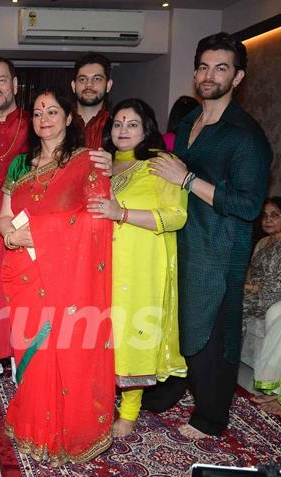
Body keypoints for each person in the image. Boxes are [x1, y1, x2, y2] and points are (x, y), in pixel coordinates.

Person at [0, 56, 112, 404]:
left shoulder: (36, 123)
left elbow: (75, 157)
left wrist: (112, 160)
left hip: (31, 235)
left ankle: (27, 374)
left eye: (1, 80)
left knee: (27, 306)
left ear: (15, 85)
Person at [145, 32, 272, 439]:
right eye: (203, 66)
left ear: (237, 77)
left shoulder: (245, 136)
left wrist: (187, 179)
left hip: (220, 249)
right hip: (184, 239)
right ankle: (175, 387)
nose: (209, 75)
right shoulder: (189, 123)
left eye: (221, 68)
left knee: (214, 332)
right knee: (180, 323)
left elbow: (248, 205)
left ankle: (212, 417)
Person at [0, 87, 114, 464]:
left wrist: (44, 232)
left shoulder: (88, 162)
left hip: (66, 278)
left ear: (68, 118)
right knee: (29, 349)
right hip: (24, 270)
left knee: (63, 348)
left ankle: (68, 430)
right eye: (36, 112)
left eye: (51, 111)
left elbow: (99, 218)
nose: (43, 119)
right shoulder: (19, 165)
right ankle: (34, 423)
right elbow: (3, 215)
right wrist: (12, 235)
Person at [89, 98, 188, 437]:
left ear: (147, 129)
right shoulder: (102, 165)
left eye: (132, 124)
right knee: (100, 334)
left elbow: (177, 216)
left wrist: (123, 214)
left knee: (133, 333)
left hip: (141, 267)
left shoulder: (161, 163)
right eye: (117, 124)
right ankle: (99, 403)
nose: (123, 130)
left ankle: (129, 412)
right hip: (101, 265)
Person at [242, 198, 281, 415]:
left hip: (271, 294)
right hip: (254, 289)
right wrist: (245, 284)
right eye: (265, 215)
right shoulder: (262, 243)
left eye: (275, 214)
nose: (268, 220)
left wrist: (248, 288)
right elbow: (251, 268)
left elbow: (276, 282)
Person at [71, 52, 113, 149]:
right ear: (73, 86)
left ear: (108, 85)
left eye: (97, 79)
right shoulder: (58, 123)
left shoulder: (117, 126)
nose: (89, 84)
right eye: (82, 79)